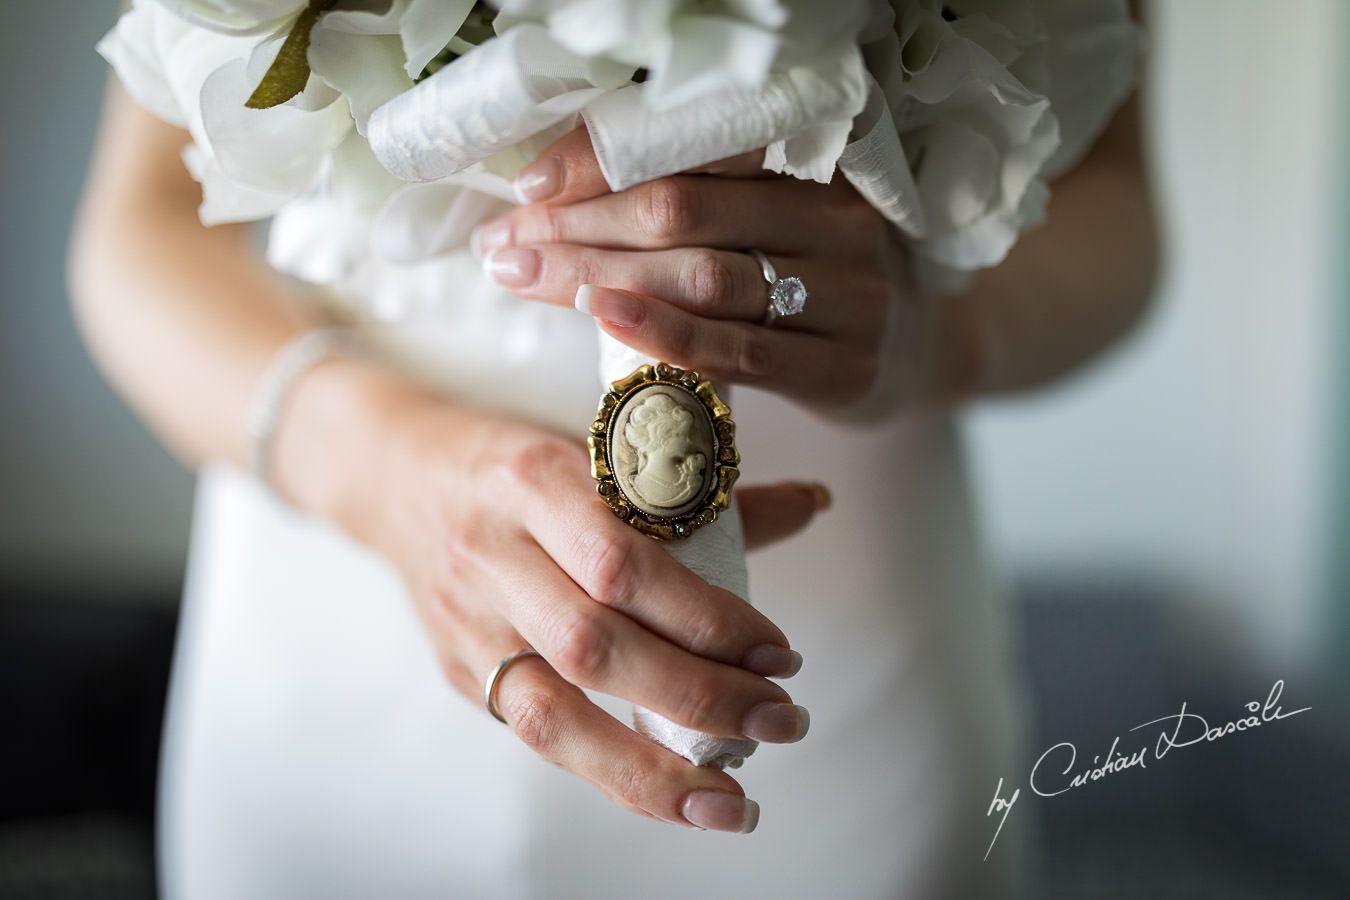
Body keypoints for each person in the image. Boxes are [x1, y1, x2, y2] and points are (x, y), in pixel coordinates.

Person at [69, 11, 1156, 899]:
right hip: (339, 639)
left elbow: (1112, 195)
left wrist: (934, 336)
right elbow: (141, 227)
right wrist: (386, 472)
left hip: (834, 690)